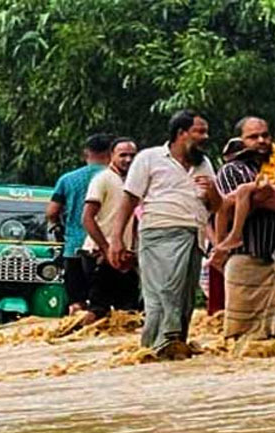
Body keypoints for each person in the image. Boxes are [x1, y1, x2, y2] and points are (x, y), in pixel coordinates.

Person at [108, 110, 221, 357]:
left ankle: (165, 347)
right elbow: (129, 199)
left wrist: (211, 190)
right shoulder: (149, 158)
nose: (205, 136)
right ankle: (163, 342)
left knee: (184, 297)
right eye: (199, 131)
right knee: (164, 290)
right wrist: (117, 240)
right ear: (181, 134)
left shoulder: (204, 164)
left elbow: (216, 207)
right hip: (159, 232)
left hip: (194, 235)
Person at [214, 116, 275, 338]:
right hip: (247, 256)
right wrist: (259, 198)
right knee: (240, 337)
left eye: (265, 135)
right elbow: (227, 211)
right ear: (240, 140)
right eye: (253, 137)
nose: (261, 140)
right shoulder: (231, 171)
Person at [46, 133, 114, 313]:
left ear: (86, 153)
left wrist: (59, 227)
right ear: (110, 153)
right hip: (105, 248)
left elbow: (52, 212)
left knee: (77, 301)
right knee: (106, 304)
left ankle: (77, 333)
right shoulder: (115, 179)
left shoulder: (67, 179)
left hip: (73, 248)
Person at [80, 137, 140, 323]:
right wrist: (106, 249)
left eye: (132, 156)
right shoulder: (103, 179)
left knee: (128, 313)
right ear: (111, 156)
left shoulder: (135, 182)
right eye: (123, 155)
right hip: (99, 253)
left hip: (125, 256)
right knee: (98, 311)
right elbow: (87, 218)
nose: (128, 160)